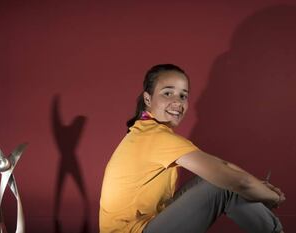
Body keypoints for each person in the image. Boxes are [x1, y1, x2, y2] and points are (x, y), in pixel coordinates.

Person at [99, 64, 285, 233]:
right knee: (224, 186)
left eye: (183, 95)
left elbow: (223, 165)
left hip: (146, 225)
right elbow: (237, 182)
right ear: (148, 99)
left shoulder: (146, 130)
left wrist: (259, 188)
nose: (178, 102)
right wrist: (271, 197)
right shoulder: (157, 137)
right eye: (167, 93)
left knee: (215, 179)